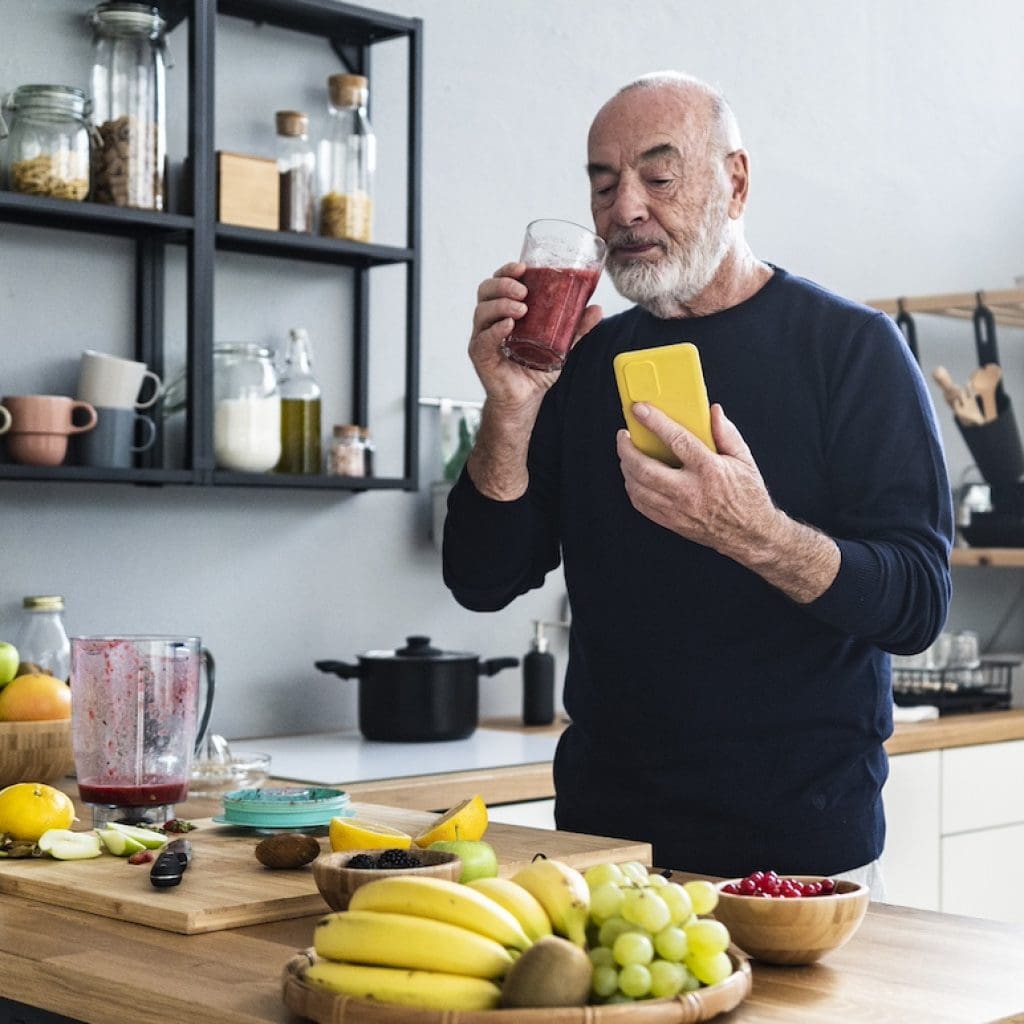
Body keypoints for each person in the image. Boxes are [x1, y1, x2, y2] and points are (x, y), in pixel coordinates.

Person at [442, 71, 952, 892]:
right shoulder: (582, 361)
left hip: (799, 851)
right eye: (603, 184)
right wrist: (508, 410)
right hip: (605, 847)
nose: (625, 208)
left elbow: (918, 604)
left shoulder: (853, 350)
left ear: (735, 182)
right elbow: (481, 578)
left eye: (659, 174)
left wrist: (756, 531)